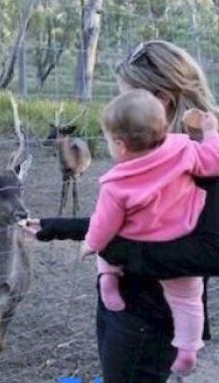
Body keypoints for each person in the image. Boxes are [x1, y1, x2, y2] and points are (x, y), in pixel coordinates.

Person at [25, 40, 219, 382]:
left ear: (162, 101)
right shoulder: (151, 158)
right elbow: (128, 222)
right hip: (124, 309)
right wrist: (56, 227)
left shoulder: (202, 160)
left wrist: (112, 249)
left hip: (151, 322)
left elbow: (210, 251)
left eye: (127, 98)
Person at [81, 88, 219, 375]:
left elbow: (102, 226)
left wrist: (90, 244)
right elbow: (213, 160)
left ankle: (108, 279)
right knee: (188, 300)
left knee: (109, 245)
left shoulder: (116, 183)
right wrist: (211, 132)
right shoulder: (183, 149)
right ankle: (188, 349)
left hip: (137, 240)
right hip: (180, 240)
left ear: (119, 145)